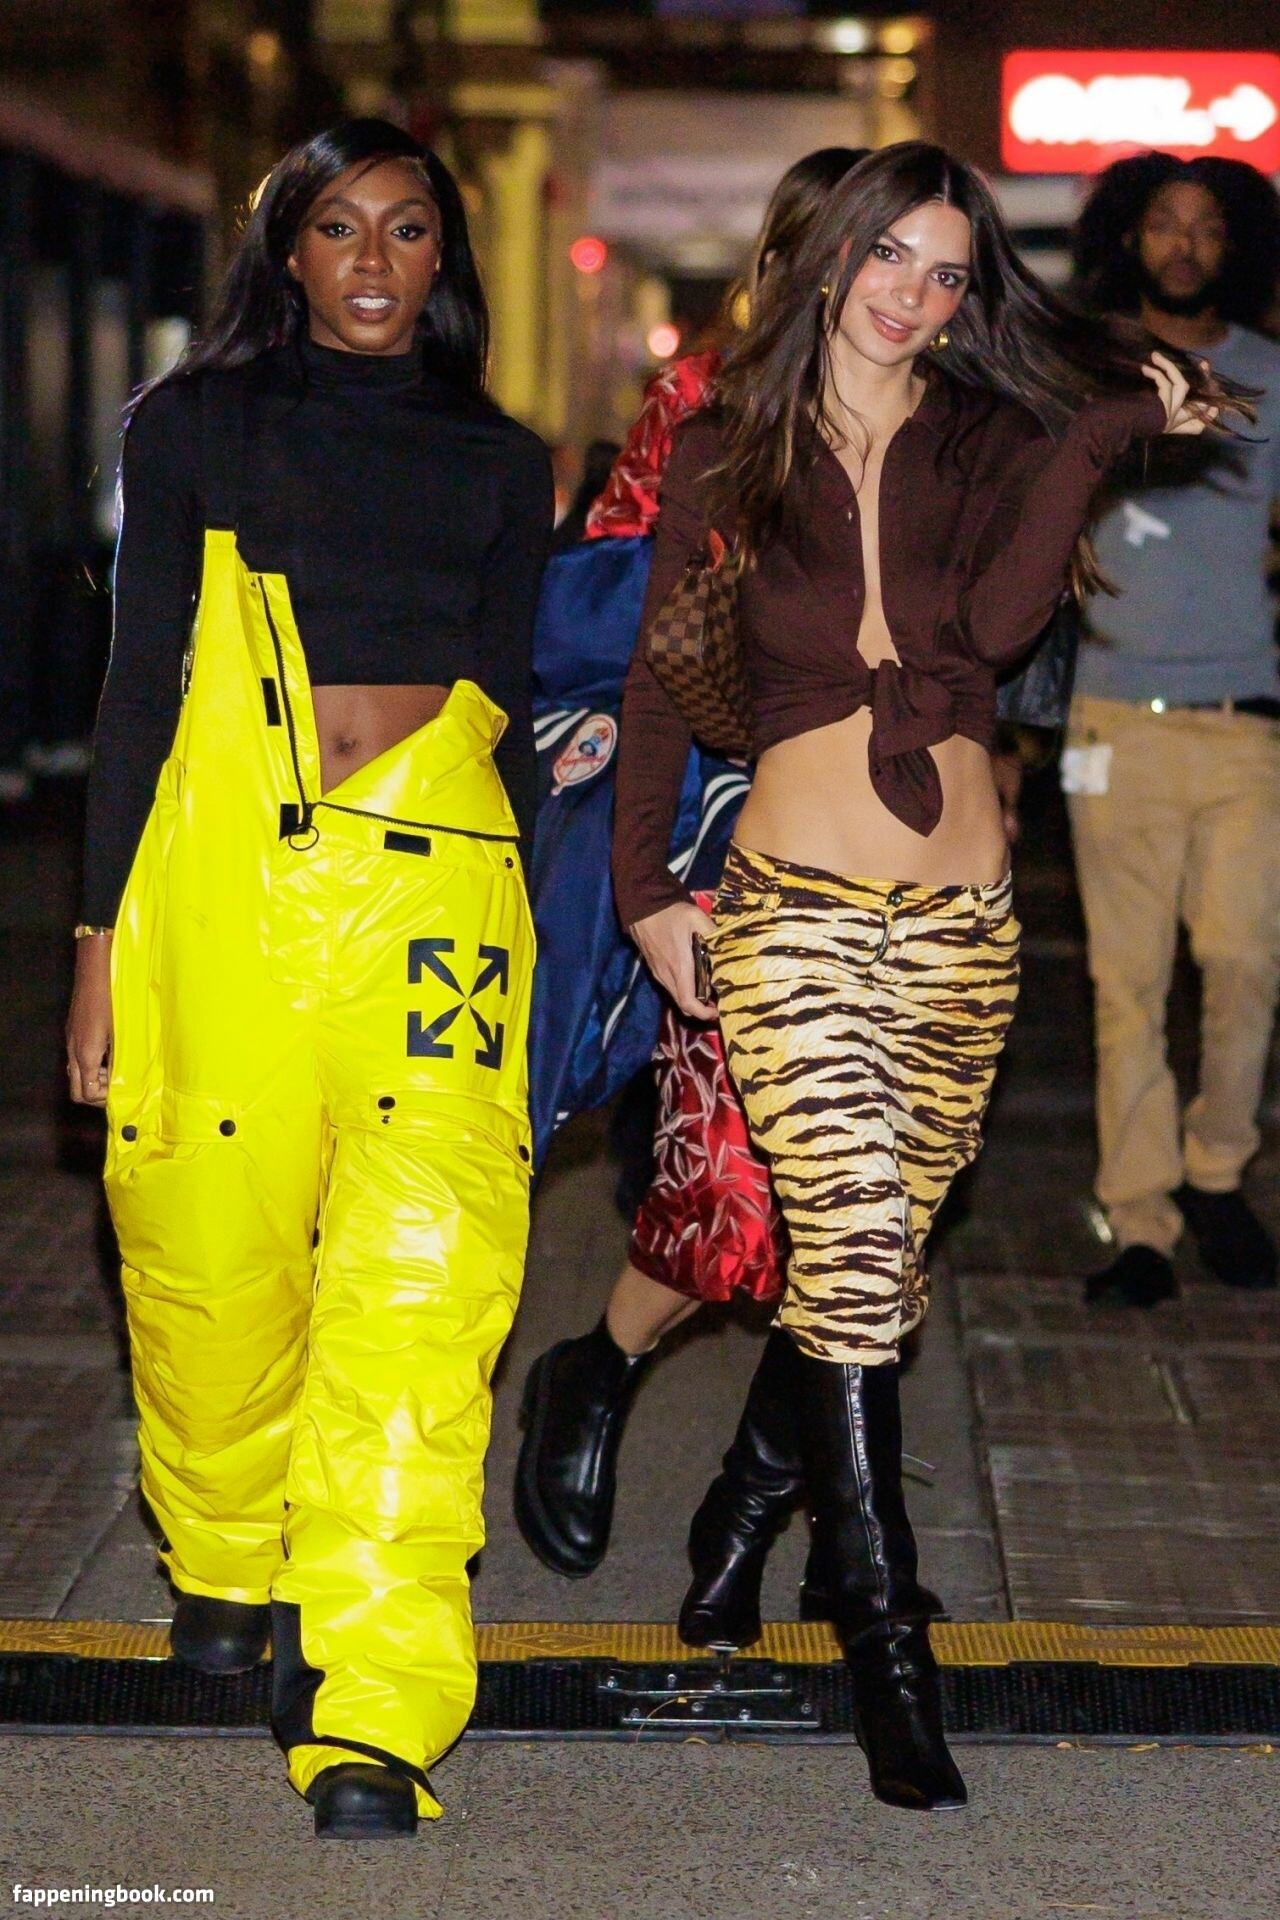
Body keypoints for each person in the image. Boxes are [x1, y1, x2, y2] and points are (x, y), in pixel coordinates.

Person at [613, 141, 1228, 1811]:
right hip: (794, 909)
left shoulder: (983, 432)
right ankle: (884, 1638)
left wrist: (1092, 437)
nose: (916, 293)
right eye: (892, 255)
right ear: (830, 253)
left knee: (871, 1267)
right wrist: (646, 888)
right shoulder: (731, 442)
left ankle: (744, 1508)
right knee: (860, 1251)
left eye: (949, 272)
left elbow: (1004, 631)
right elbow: (662, 680)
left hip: (966, 923)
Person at [64, 120, 552, 1837]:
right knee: (209, 1267)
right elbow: (138, 691)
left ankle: (373, 1706)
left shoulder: (503, 459)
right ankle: (226, 1551)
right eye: (338, 227)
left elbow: (503, 715)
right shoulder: (195, 425)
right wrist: (99, 949)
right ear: (287, 251)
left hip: (436, 909)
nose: (372, 262)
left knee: (422, 1294)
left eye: (407, 230)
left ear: (444, 259)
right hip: (227, 897)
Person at [515, 149, 865, 1591]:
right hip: (731, 837)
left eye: (904, 258)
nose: (870, 288)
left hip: (897, 853)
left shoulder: (953, 423)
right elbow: (606, 612)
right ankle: (599, 1371)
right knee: (734, 1186)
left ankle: (798, 1517)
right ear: (782, 269)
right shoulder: (708, 406)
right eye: (838, 255)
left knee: (861, 1208)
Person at [1067, 153, 1280, 1308]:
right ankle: (1140, 1219)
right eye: (1162, 223)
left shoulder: (1270, 373)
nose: (1183, 244)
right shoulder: (1086, 363)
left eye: (1205, 227)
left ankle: (1215, 1173)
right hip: (1107, 718)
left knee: (1243, 960)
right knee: (1124, 984)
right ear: (1126, 235)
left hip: (1243, 717)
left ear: (1233, 243)